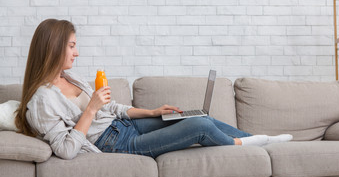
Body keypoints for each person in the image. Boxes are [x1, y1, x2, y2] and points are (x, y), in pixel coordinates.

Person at [15, 19, 292, 160]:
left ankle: (261, 139)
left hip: (124, 126)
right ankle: (245, 146)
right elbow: (65, 149)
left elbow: (111, 108)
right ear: (53, 47)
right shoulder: (41, 100)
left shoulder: (71, 78)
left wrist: (151, 111)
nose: (77, 52)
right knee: (199, 128)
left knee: (196, 116)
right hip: (115, 143)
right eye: (72, 46)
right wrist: (91, 109)